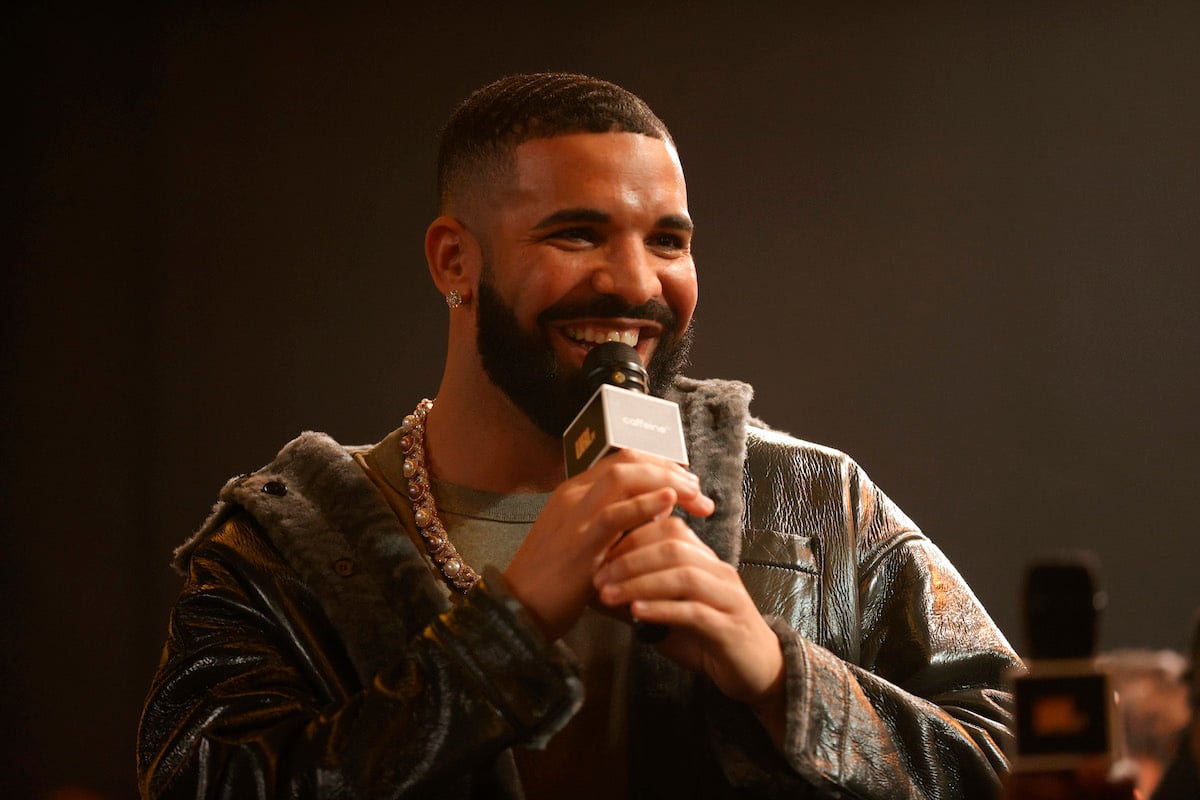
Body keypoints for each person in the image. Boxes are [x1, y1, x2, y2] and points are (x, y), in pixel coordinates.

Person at [136, 72, 1021, 799]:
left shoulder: (814, 499)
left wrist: (782, 677)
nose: (636, 283)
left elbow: (1026, 759)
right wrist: (506, 631)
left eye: (667, 241)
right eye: (577, 234)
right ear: (454, 260)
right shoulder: (284, 548)